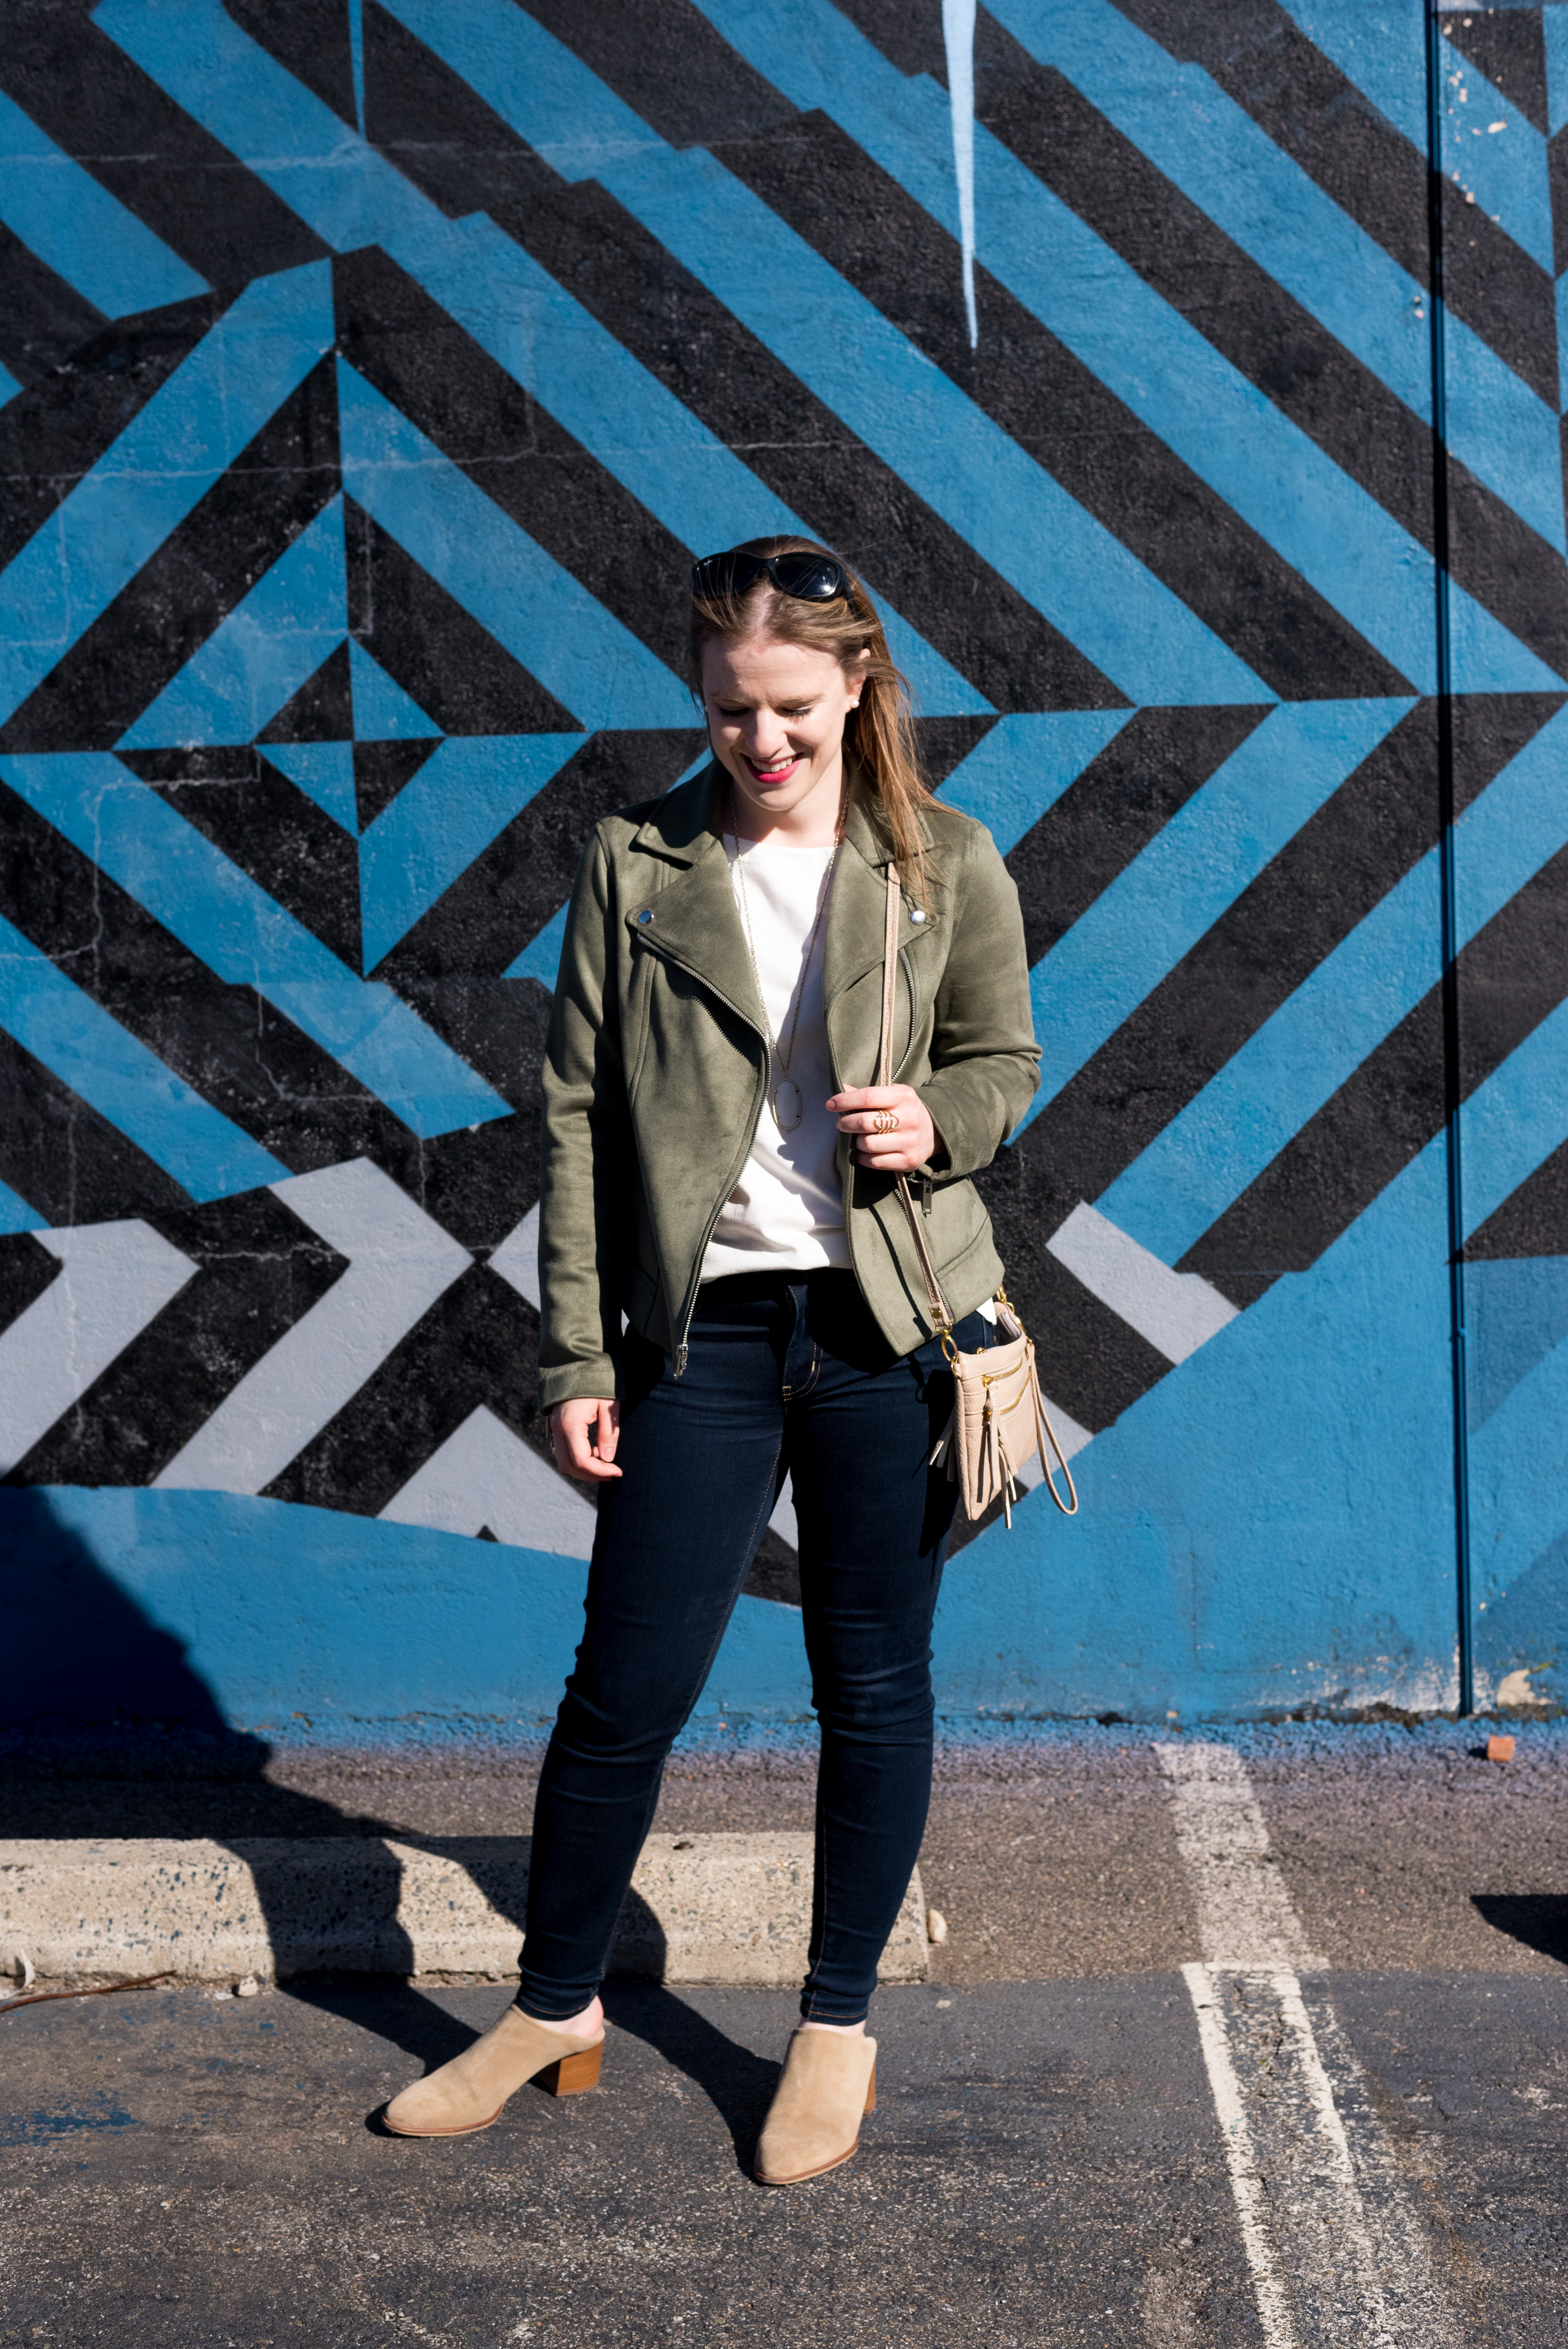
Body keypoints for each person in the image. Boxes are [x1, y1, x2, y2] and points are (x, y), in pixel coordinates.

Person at [383, 536, 1038, 2182]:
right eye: (733, 710)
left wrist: (937, 1118)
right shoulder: (634, 860)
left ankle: (833, 2028)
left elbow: (1000, 1059)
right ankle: (555, 2005)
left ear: (859, 686)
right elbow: (576, 1117)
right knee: (625, 1691)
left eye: (794, 711)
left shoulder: (940, 860)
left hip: (890, 1328)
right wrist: (574, 1355)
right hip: (706, 1330)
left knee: (871, 1689)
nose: (762, 744)